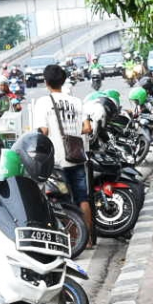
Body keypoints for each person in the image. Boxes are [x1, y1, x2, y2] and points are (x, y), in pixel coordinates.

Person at [33, 63, 96, 248]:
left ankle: (76, 239)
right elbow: (87, 128)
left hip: (56, 160)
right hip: (76, 155)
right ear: (64, 80)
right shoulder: (76, 101)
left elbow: (42, 131)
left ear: (46, 82)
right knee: (82, 198)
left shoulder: (43, 103)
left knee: (64, 202)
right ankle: (89, 240)